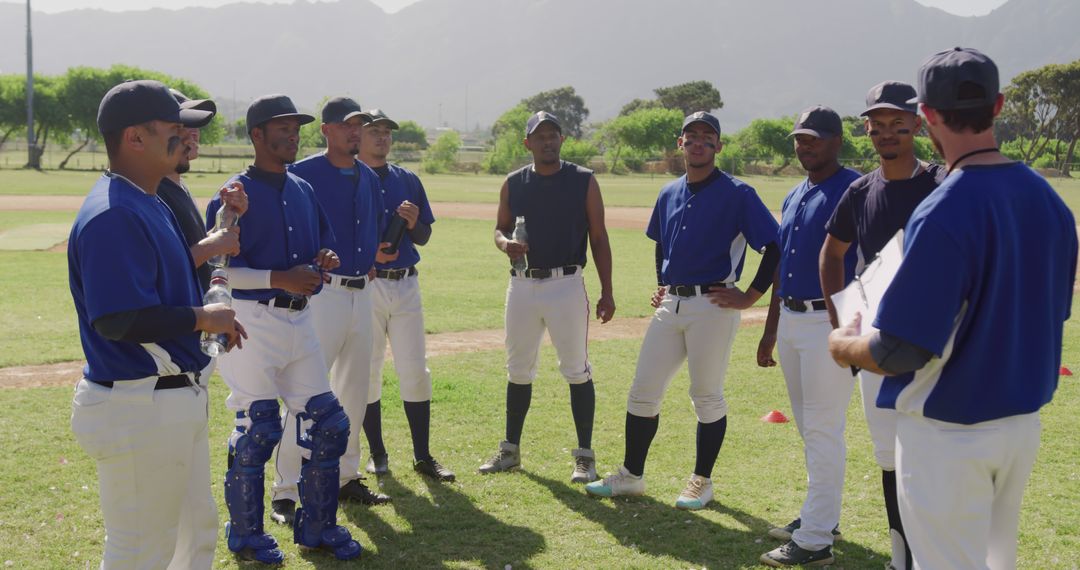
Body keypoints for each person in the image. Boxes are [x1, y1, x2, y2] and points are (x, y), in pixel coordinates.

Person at [828, 47, 1077, 569]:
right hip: (1019, 426)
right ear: (1000, 105)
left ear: (927, 117)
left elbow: (900, 350)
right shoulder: (1049, 199)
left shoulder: (944, 206)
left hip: (949, 431)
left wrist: (842, 342)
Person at [68, 79, 245, 569]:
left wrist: (208, 314)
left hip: (166, 398)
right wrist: (202, 317)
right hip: (137, 405)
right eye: (171, 127)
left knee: (195, 534)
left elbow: (164, 286)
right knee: (140, 553)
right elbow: (118, 318)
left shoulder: (150, 199)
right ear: (134, 138)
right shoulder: (114, 212)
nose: (183, 137)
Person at [586, 111, 780, 510]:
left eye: (707, 136)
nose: (699, 142)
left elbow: (774, 248)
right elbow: (661, 244)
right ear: (680, 143)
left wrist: (749, 297)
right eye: (691, 136)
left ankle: (701, 481)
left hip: (714, 304)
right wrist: (662, 281)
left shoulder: (739, 193)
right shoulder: (669, 191)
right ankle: (631, 476)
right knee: (642, 391)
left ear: (718, 146)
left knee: (706, 395)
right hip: (671, 304)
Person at [207, 94, 362, 563]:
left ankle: (316, 528)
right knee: (259, 429)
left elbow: (319, 249)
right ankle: (246, 536)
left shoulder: (301, 188)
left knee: (330, 424)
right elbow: (215, 271)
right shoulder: (234, 195)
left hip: (300, 319)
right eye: (282, 127)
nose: (293, 133)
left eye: (296, 126)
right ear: (257, 135)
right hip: (250, 322)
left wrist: (322, 260)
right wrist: (279, 278)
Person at [818, 81, 946, 570]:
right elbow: (831, 254)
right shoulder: (860, 190)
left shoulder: (940, 183)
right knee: (888, 456)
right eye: (878, 126)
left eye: (898, 124)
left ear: (918, 124)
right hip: (875, 344)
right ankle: (902, 558)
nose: (887, 134)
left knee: (932, 452)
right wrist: (839, 320)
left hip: (934, 345)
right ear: (866, 130)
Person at [270, 97, 394, 528]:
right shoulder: (302, 173)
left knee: (355, 392)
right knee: (307, 391)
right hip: (323, 295)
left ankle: (345, 476)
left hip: (363, 293)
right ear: (326, 130)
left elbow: (373, 228)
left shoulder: (367, 176)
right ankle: (286, 488)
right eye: (347, 126)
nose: (355, 132)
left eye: (360, 125)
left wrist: (371, 258)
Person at [479, 111, 615, 483]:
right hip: (522, 284)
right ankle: (510, 450)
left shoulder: (583, 180)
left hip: (566, 283)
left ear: (562, 140)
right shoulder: (514, 182)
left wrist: (607, 291)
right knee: (518, 368)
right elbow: (499, 228)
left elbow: (599, 237)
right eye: (540, 136)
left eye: (553, 134)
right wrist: (504, 243)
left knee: (575, 369)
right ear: (528, 143)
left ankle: (585, 456)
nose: (548, 141)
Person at [756, 106, 861, 567]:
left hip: (831, 320)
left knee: (822, 430)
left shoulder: (857, 189)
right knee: (809, 428)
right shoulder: (796, 192)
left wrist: (853, 325)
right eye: (800, 139)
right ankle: (823, 516)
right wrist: (771, 329)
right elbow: (784, 266)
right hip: (794, 321)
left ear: (837, 141)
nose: (805, 146)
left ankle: (816, 539)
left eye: (814, 139)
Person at [357, 108, 456, 482]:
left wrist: (414, 223)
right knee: (367, 371)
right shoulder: (352, 178)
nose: (382, 137)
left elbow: (424, 236)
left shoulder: (407, 179)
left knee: (415, 369)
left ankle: (423, 455)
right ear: (359, 137)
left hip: (406, 283)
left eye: (386, 132)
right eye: (374, 131)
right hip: (368, 284)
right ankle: (377, 454)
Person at [156, 89, 247, 293]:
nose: (194, 132)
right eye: (183, 124)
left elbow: (187, 248)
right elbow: (160, 270)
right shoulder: (155, 192)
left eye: (195, 124)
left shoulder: (178, 185)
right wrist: (213, 245)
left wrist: (224, 222)